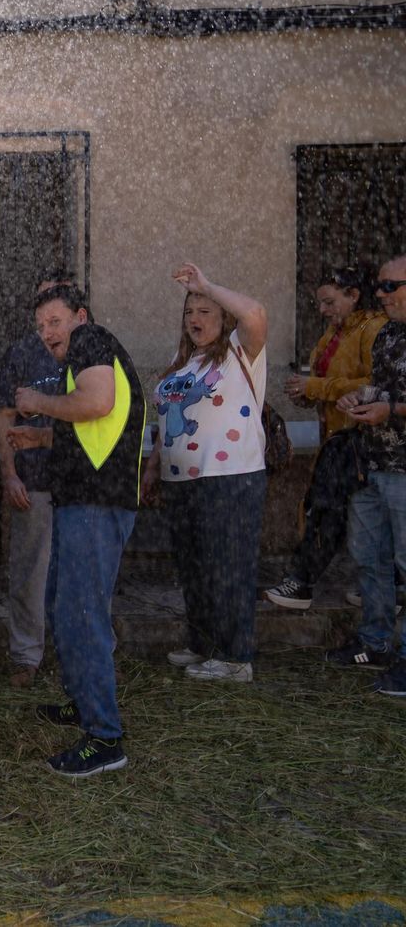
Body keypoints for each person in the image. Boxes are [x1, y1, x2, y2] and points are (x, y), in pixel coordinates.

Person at [9, 285, 144, 778]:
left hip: (96, 504)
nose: (47, 333)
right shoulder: (83, 356)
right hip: (81, 503)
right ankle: (84, 703)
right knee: (61, 607)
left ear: (80, 316)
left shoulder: (91, 339)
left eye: (54, 321)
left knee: (82, 613)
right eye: (40, 325)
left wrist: (37, 403)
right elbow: (92, 422)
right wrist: (43, 436)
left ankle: (104, 737)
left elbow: (97, 404)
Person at [143, 264, 269, 683]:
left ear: (224, 319)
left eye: (206, 312)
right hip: (182, 481)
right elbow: (166, 420)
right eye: (189, 312)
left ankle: (236, 658)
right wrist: (153, 466)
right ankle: (202, 643)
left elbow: (256, 313)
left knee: (228, 565)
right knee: (195, 567)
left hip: (230, 476)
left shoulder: (240, 350)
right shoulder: (181, 360)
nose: (195, 319)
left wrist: (209, 285)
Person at [265, 266, 387, 609]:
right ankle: (380, 587)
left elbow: (376, 384)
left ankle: (303, 581)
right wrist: (305, 394)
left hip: (361, 437)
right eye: (319, 303)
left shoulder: (373, 329)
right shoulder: (335, 333)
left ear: (354, 296)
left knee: (327, 508)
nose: (322, 310)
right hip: (338, 436)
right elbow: (323, 380)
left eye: (329, 302)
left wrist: (316, 387)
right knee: (348, 513)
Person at [0, 269, 76, 688]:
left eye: (56, 314)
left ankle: (82, 654)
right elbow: (5, 416)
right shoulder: (23, 352)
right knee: (29, 573)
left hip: (81, 483)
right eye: (42, 315)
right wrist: (9, 475)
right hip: (35, 480)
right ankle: (26, 655)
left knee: (80, 573)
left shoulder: (91, 351)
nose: (47, 326)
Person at [327, 254, 406, 687]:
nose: (380, 294)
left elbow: (395, 400)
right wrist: (357, 400)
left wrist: (390, 409)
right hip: (371, 463)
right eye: (380, 286)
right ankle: (375, 643)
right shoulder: (388, 334)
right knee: (370, 560)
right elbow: (383, 385)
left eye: (391, 286)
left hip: (403, 469)